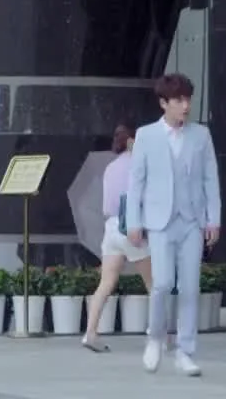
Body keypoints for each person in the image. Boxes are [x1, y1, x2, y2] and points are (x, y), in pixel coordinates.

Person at [125, 73, 221, 377]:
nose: (186, 106)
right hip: (159, 221)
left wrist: (213, 219)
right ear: (164, 103)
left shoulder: (201, 135)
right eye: (179, 100)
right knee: (163, 283)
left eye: (188, 99)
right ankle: (155, 338)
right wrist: (133, 221)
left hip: (192, 220)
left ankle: (185, 351)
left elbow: (211, 179)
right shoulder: (146, 135)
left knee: (190, 287)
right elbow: (136, 182)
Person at [82, 122, 153, 352]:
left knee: (105, 283)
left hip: (111, 227)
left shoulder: (111, 167)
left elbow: (106, 205)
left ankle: (90, 333)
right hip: (132, 227)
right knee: (154, 284)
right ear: (132, 141)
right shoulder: (140, 165)